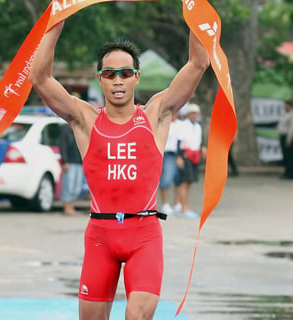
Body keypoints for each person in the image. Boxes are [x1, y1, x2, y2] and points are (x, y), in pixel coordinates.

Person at [29, 19, 209, 320]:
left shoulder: (156, 115)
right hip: (101, 235)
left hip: (144, 234)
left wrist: (196, 12)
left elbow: (198, 62)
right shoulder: (85, 120)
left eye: (125, 73)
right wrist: (56, 21)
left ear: (136, 77)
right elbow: (40, 79)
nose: (118, 80)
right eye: (110, 74)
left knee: (136, 316)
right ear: (100, 79)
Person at [174, 103, 207, 219]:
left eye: (196, 113)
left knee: (189, 182)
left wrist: (202, 148)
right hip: (186, 155)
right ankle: (183, 207)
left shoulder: (198, 126)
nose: (194, 115)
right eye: (192, 113)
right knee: (184, 182)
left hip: (195, 155)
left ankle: (185, 206)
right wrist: (179, 156)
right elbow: (179, 141)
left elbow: (199, 140)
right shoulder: (183, 125)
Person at [159, 112, 183, 216]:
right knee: (166, 179)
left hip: (176, 154)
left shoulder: (180, 125)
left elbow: (180, 141)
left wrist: (179, 156)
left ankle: (177, 203)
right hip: (165, 154)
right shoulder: (162, 124)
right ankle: (165, 204)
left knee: (178, 179)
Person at [60, 122, 85, 216]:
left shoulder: (79, 131)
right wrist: (65, 161)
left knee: (76, 187)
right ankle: (67, 208)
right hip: (69, 163)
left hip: (78, 162)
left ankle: (71, 207)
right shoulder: (65, 130)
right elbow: (63, 146)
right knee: (68, 186)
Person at [277, 99, 293, 179]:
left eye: (286, 105)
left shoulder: (291, 114)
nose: (285, 107)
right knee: (285, 156)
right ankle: (287, 172)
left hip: (288, 137)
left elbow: (291, 128)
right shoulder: (286, 114)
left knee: (289, 157)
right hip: (283, 136)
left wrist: (289, 140)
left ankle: (290, 173)